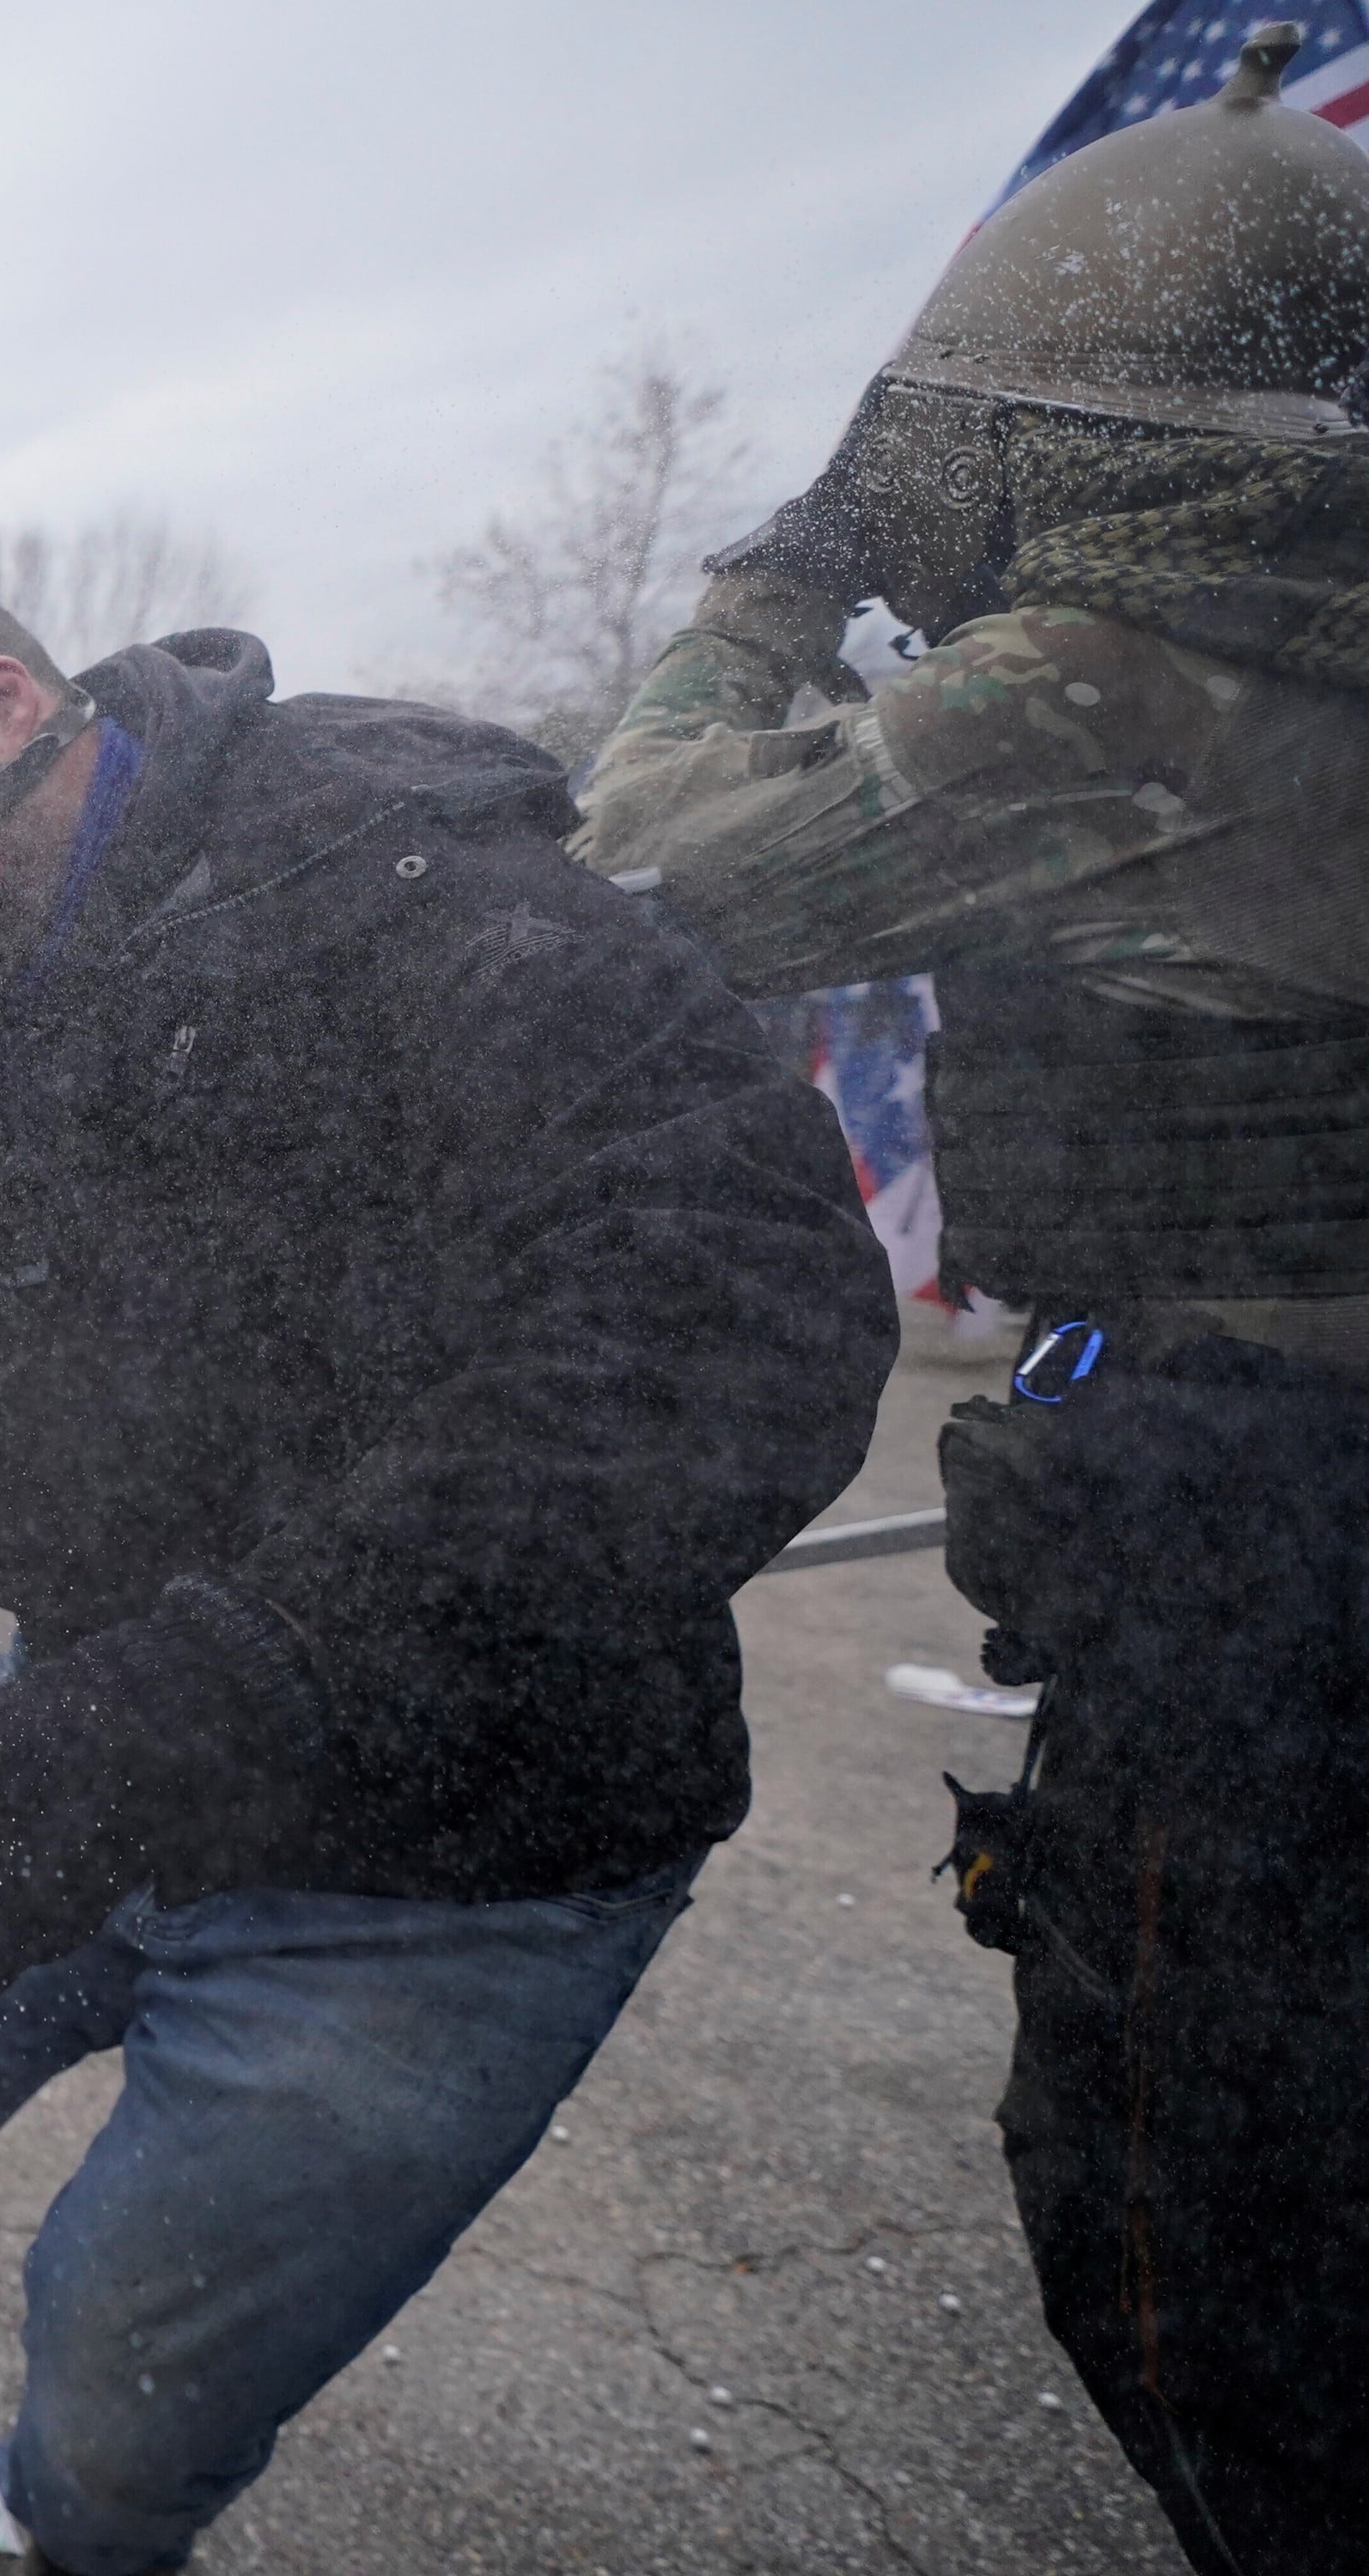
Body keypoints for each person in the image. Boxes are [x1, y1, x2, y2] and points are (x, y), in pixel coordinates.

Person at [0, 578, 896, 2576]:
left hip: (446, 1850)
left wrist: (168, 1718)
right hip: (103, 1717)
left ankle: (43, 2532)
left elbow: (722, 1318)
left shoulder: (396, 884)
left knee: (123, 2370)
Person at [573, 36, 1369, 2569]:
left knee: (1195, 2225)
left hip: (1277, 1547)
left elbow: (647, 871)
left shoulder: (1140, 688)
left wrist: (778, 578)